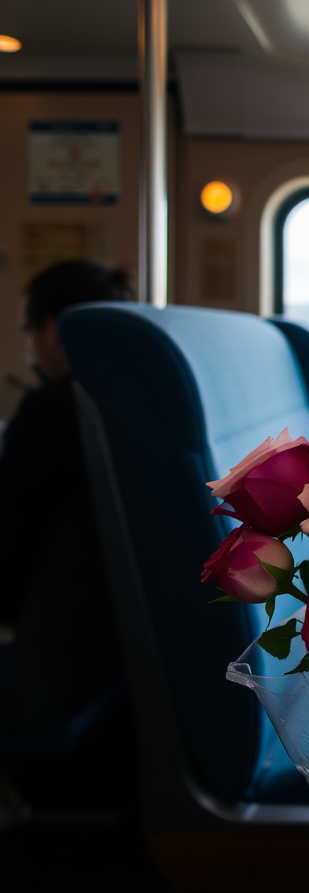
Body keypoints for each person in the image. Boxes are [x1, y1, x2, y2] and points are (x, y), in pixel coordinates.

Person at [0, 259, 133, 737]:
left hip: (62, 656)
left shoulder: (53, 411)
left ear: (53, 329)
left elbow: (10, 545)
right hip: (118, 648)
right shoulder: (139, 399)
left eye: (28, 330)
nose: (30, 350)